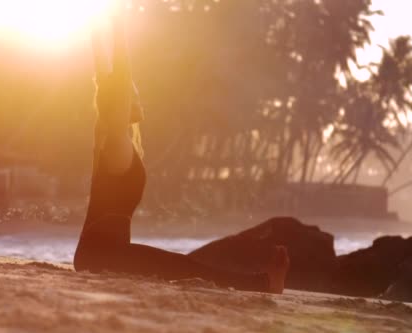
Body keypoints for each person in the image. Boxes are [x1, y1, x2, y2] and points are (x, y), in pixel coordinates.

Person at [73, 11, 290, 294]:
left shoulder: (114, 144)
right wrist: (120, 29)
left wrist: (96, 32)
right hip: (103, 254)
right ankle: (262, 284)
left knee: (179, 266)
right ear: (120, 103)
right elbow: (115, 85)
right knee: (182, 268)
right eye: (131, 94)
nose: (136, 97)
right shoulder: (114, 143)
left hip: (103, 252)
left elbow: (104, 80)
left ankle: (260, 282)